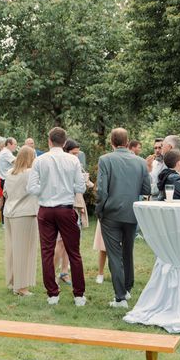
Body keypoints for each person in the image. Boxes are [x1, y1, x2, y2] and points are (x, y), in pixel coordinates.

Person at [27, 127, 87, 306]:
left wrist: (45, 189)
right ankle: (78, 295)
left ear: (49, 141)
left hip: (46, 209)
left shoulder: (40, 160)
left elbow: (31, 188)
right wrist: (67, 187)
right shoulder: (73, 160)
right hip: (65, 208)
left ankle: (52, 294)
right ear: (65, 142)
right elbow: (81, 187)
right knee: (73, 252)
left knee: (47, 251)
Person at [96, 128, 151, 308]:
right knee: (128, 252)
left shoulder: (105, 160)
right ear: (127, 142)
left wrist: (100, 209)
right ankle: (127, 289)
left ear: (112, 142)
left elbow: (102, 190)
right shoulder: (141, 162)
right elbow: (147, 189)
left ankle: (120, 297)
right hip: (132, 212)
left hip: (111, 213)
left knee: (114, 255)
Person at [53, 139, 93, 286]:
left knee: (71, 243)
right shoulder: (60, 165)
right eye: (73, 153)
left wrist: (86, 181)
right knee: (60, 242)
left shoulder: (77, 164)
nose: (76, 156)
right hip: (62, 206)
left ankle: (64, 272)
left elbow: (85, 186)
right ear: (66, 151)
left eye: (78, 153)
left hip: (75, 206)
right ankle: (52, 273)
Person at [3, 145, 40, 297]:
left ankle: (13, 281)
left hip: (9, 212)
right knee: (24, 250)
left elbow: (5, 192)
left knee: (13, 249)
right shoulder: (30, 173)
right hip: (25, 213)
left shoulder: (9, 172)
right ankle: (21, 287)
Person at [0, 137, 17, 224]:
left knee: (7, 200)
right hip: (6, 180)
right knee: (8, 201)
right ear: (9, 144)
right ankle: (5, 222)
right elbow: (16, 162)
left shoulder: (5, 152)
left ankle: (5, 222)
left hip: (5, 180)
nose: (16, 146)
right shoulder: (6, 153)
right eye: (15, 144)